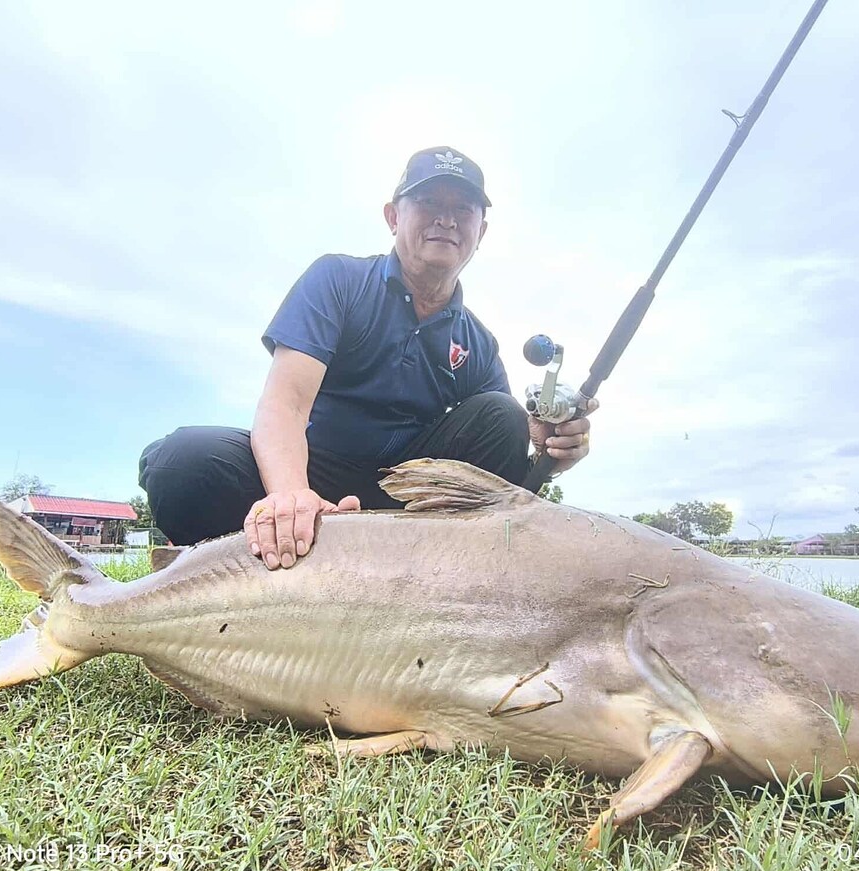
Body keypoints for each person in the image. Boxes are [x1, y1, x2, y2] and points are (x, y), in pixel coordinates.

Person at [138, 146, 596, 569]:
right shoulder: (337, 280)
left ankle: (433, 587)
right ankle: (242, 584)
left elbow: (502, 453)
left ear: (482, 231)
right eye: (429, 203)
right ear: (393, 216)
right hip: (311, 470)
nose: (447, 220)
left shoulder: (478, 342)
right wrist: (292, 496)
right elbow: (284, 404)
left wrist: (547, 450)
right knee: (181, 461)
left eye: (463, 209)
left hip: (409, 497)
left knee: (504, 414)